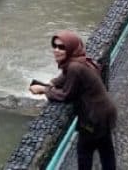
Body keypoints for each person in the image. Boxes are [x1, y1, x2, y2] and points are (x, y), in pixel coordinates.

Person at [29, 30, 117, 170]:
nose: (56, 50)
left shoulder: (74, 67)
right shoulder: (80, 61)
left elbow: (65, 95)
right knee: (106, 150)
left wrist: (44, 90)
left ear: (70, 48)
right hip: (106, 113)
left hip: (93, 120)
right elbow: (66, 77)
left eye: (62, 47)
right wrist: (52, 82)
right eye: (55, 46)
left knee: (84, 153)